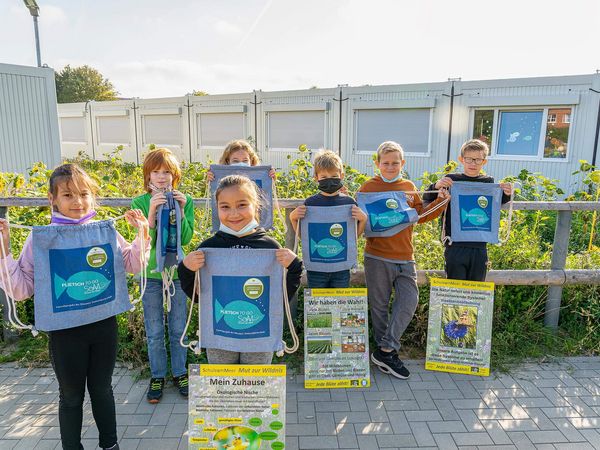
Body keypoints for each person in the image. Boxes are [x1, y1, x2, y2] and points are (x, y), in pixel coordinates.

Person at [0, 163, 150, 450]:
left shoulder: (102, 232)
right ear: (52, 199)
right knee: (70, 395)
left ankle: (110, 445)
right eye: (68, 195)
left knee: (103, 390)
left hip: (103, 326)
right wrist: (4, 249)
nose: (78, 202)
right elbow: (21, 289)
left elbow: (132, 265)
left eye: (84, 194)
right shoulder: (41, 239)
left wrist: (141, 235)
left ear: (92, 196)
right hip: (65, 333)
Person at [178, 175, 302, 364]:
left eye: (242, 205)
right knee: (223, 386)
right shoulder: (209, 248)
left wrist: (294, 267)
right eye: (225, 206)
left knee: (255, 388)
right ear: (217, 208)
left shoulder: (270, 248)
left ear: (256, 206)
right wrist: (186, 268)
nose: (234, 213)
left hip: (259, 338)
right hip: (220, 339)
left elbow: (280, 297)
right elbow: (197, 298)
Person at [357, 141, 449, 379]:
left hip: (406, 256)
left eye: (395, 163)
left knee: (409, 300)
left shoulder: (408, 187)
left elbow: (420, 216)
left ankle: (387, 348)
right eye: (385, 163)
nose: (390, 167)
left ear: (402, 163)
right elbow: (356, 220)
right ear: (377, 164)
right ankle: (385, 352)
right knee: (378, 305)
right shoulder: (367, 188)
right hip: (376, 255)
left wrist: (440, 201)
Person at [131, 147, 194, 403]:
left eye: (166, 171)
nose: (160, 176)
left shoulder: (184, 199)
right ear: (147, 176)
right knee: (154, 329)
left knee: (179, 327)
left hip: (178, 272)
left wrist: (180, 209)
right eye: (155, 171)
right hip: (151, 275)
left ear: (174, 175)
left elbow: (187, 238)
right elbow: (143, 244)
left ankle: (180, 372)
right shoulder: (139, 203)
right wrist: (151, 216)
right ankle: (157, 375)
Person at [422, 139, 512, 281]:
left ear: (484, 162)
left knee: (476, 291)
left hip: (480, 245)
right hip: (454, 244)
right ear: (461, 160)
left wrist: (507, 193)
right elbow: (427, 197)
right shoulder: (451, 180)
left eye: (478, 160)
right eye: (469, 159)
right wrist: (437, 185)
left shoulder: (488, 182)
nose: (473, 163)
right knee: (455, 291)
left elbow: (498, 202)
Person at [289, 149, 367, 288]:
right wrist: (293, 218)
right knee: (318, 306)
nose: (329, 180)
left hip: (341, 268)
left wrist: (363, 219)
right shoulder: (310, 203)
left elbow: (353, 238)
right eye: (324, 177)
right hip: (316, 269)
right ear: (316, 178)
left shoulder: (349, 203)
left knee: (339, 305)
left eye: (334, 176)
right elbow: (305, 237)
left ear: (341, 176)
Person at [205, 139, 276, 181]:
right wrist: (210, 179)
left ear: (251, 161)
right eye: (235, 161)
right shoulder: (220, 179)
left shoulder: (259, 178)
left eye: (245, 160)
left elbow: (264, 197)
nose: (241, 163)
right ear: (227, 161)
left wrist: (270, 178)